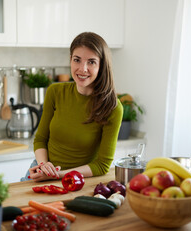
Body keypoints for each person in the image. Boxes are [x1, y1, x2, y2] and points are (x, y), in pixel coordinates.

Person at [23, 32, 123, 182]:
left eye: (91, 62)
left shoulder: (113, 108)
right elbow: (40, 139)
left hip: (78, 180)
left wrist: (57, 174)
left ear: (101, 66)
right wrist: (44, 166)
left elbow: (102, 165)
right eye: (77, 60)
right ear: (70, 60)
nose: (83, 69)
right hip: (41, 171)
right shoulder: (55, 92)